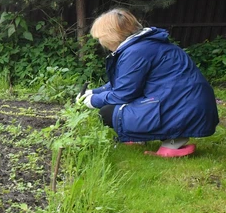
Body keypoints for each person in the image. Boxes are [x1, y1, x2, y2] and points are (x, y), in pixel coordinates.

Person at [78, 9, 218, 157]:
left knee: (107, 112)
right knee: (115, 107)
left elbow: (123, 94)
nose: (101, 43)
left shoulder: (135, 52)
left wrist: (93, 100)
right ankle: (148, 137)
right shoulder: (145, 45)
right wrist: (94, 92)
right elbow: (125, 82)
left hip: (181, 109)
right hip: (186, 105)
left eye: (101, 38)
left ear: (112, 35)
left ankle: (174, 139)